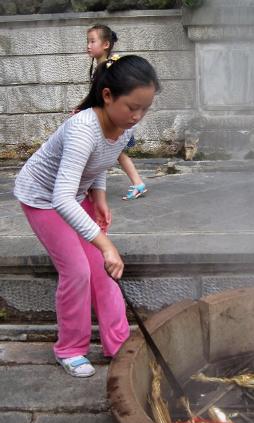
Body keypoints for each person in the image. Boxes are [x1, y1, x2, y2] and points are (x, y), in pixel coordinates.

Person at [14, 55, 160, 377]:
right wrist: (105, 243)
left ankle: (117, 343)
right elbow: (61, 198)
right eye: (132, 106)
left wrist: (101, 199)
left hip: (72, 195)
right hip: (43, 198)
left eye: (144, 109)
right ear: (107, 96)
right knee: (78, 271)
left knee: (103, 271)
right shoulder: (83, 129)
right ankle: (69, 349)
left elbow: (99, 163)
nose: (137, 116)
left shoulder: (120, 128)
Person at [87, 25, 147, 200]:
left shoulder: (112, 65)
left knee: (103, 151)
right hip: (112, 119)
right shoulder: (101, 66)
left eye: (92, 41)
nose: (88, 46)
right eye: (88, 42)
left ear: (105, 44)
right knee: (117, 153)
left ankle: (88, 188)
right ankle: (137, 183)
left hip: (116, 120)